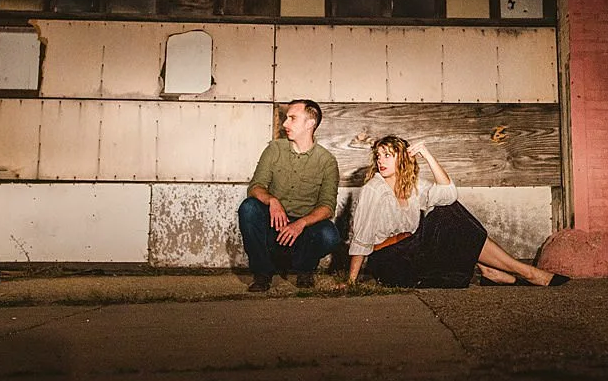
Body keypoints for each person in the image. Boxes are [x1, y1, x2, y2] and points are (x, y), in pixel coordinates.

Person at [347, 135, 569, 288]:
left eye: (388, 155)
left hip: (412, 253)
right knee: (444, 216)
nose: (381, 160)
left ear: (403, 158)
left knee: (448, 208)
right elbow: (361, 237)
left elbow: (448, 194)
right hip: (390, 262)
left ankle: (495, 270)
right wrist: (351, 280)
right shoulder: (373, 189)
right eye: (378, 156)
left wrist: (427, 154)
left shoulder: (413, 186)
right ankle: (525, 272)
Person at [238, 98, 341, 292]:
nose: (285, 123)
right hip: (274, 226)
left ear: (310, 123)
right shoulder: (274, 149)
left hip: (303, 232)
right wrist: (272, 200)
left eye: (292, 118)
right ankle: (262, 273)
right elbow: (255, 187)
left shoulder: (327, 161)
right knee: (249, 207)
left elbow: (327, 207)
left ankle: (305, 269)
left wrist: (301, 223)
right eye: (286, 118)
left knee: (329, 234)